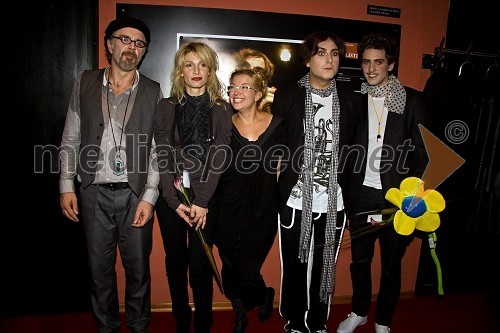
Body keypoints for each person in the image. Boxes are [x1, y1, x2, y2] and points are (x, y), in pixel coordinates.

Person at [59, 16, 162, 333]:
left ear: (144, 52)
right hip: (92, 192)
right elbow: (71, 139)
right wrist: (66, 186)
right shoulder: (84, 82)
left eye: (139, 43)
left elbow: (159, 149)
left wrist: (150, 195)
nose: (131, 47)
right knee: (98, 269)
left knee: (138, 269)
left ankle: (139, 324)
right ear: (109, 44)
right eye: (124, 39)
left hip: (134, 195)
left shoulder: (154, 91)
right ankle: (106, 326)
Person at [336, 32, 429, 333]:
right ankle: (360, 312)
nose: (371, 69)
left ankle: (383, 321)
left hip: (396, 199)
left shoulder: (412, 100)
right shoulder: (354, 99)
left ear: (391, 64)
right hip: (361, 197)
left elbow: (423, 153)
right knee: (359, 262)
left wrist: (412, 194)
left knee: (391, 265)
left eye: (378, 62)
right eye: (366, 63)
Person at [271, 31, 361, 333]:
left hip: (335, 200)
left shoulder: (350, 98)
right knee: (295, 266)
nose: (329, 59)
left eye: (335, 53)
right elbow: (274, 146)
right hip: (296, 199)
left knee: (325, 266)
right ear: (308, 59)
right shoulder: (287, 95)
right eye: (321, 53)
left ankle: (318, 321)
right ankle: (295, 322)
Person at [154, 42, 233, 333]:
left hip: (205, 198)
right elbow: (162, 152)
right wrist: (172, 200)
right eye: (189, 64)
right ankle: (181, 318)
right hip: (172, 198)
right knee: (175, 261)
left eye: (202, 64)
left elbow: (221, 154)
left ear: (210, 69)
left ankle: (203, 322)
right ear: (180, 70)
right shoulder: (165, 106)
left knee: (200, 264)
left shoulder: (221, 108)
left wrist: (202, 201)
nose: (196, 71)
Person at [215, 68, 283, 333]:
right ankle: (240, 312)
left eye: (244, 87)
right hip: (228, 206)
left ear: (257, 94)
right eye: (233, 86)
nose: (236, 92)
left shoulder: (278, 123)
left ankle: (262, 294)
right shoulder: (222, 124)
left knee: (247, 268)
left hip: (263, 208)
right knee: (230, 265)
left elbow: (291, 163)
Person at [234, 48, 277, 113]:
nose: (251, 75)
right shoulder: (227, 105)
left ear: (265, 79)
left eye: (257, 71)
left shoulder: (275, 102)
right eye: (245, 69)